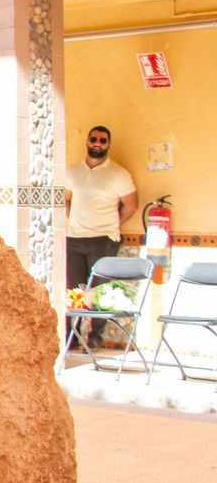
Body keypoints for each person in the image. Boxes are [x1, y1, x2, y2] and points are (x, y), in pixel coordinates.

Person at [64, 124, 137, 349]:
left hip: (103, 239)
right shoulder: (72, 171)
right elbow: (66, 199)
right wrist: (71, 221)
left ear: (108, 144)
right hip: (74, 238)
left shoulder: (118, 174)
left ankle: (95, 337)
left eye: (103, 141)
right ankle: (71, 338)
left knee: (100, 291)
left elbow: (131, 206)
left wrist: (111, 226)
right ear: (87, 141)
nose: (97, 143)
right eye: (94, 139)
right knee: (73, 290)